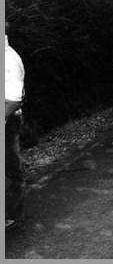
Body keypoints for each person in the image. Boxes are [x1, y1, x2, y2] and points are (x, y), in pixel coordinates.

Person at [5, 31, 26, 230]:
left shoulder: (10, 59)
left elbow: (13, 99)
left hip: (8, 119)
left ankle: (12, 213)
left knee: (10, 166)